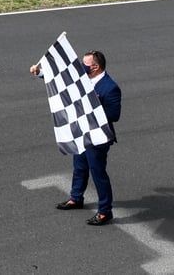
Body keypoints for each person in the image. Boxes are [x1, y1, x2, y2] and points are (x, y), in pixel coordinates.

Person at [30, 50, 122, 226]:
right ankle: (76, 198)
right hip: (81, 132)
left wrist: (92, 107)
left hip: (97, 137)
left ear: (95, 67)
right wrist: (40, 73)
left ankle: (105, 211)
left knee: (98, 173)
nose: (80, 66)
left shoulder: (110, 87)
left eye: (85, 64)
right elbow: (61, 83)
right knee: (79, 166)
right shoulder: (82, 79)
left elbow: (114, 114)